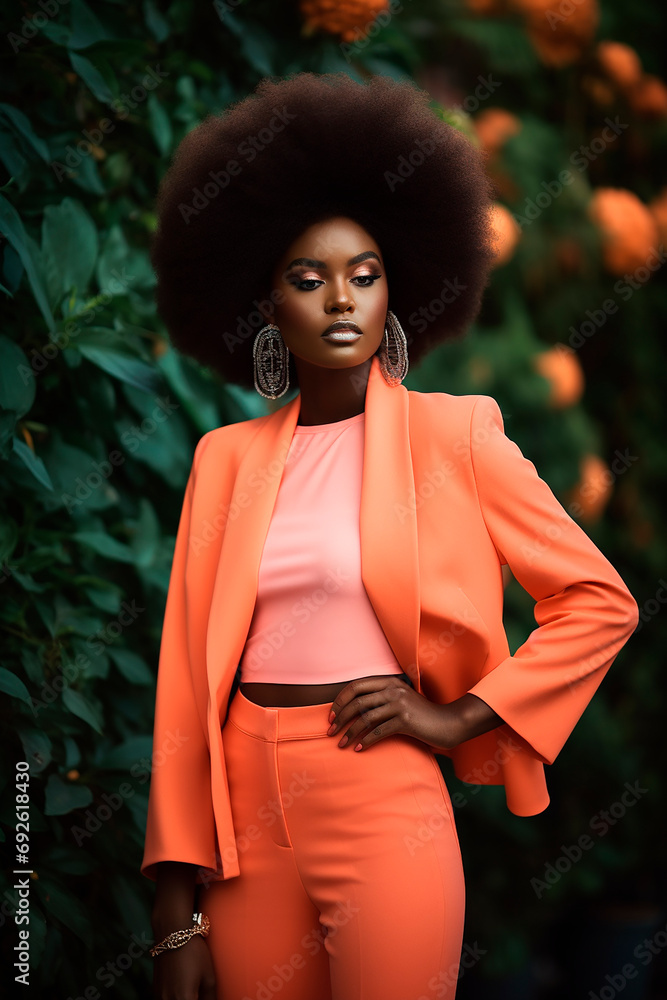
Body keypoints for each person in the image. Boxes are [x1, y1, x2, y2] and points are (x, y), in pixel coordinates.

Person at [140, 72, 639, 1000]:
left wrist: (456, 718)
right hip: (243, 817)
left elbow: (597, 601)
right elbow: (182, 691)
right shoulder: (224, 459)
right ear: (267, 308)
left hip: (381, 796)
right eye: (308, 279)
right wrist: (175, 914)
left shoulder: (455, 436)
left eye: (364, 277)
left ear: (393, 295)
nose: (340, 299)